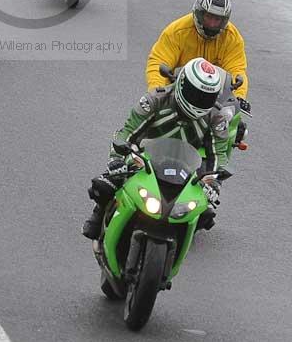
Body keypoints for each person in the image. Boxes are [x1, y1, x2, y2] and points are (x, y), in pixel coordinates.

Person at [82, 58, 229, 240]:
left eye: (207, 98)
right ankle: (99, 214)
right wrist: (116, 160)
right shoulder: (155, 100)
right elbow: (127, 132)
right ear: (181, 84)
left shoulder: (216, 117)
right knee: (105, 185)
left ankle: (181, 237)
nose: (200, 101)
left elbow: (219, 153)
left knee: (205, 214)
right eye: (195, 94)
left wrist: (214, 182)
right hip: (144, 158)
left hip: (185, 167)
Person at [146, 0, 249, 100]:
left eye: (217, 19)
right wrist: (157, 89)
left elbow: (237, 70)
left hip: (213, 97)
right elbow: (159, 61)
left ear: (224, 20)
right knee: (146, 108)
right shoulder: (177, 31)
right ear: (199, 13)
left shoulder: (232, 38)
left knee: (234, 116)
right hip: (178, 90)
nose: (212, 24)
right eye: (208, 17)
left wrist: (239, 97)